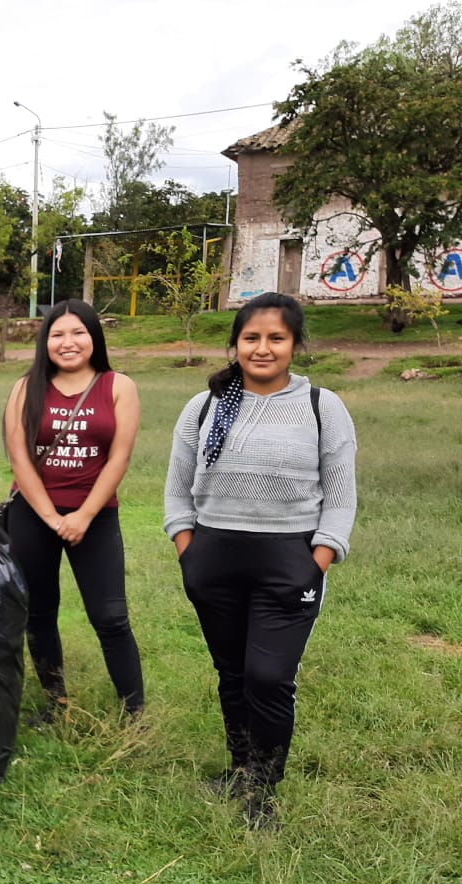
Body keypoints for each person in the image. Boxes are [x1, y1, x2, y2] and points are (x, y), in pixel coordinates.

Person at [163, 292, 357, 830]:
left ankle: (265, 788)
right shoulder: (204, 407)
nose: (263, 348)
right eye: (252, 337)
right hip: (212, 561)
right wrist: (188, 548)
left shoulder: (323, 406)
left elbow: (340, 499)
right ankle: (241, 768)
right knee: (232, 673)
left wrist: (315, 561)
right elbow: (178, 490)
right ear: (235, 343)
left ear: (295, 344)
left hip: (289, 562)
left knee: (269, 676)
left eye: (277, 338)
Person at [2, 299, 144, 726]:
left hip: (95, 515)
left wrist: (82, 516)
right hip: (33, 514)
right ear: (46, 342)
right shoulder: (27, 387)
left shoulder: (118, 386)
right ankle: (55, 703)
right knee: (40, 612)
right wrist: (50, 517)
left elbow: (118, 459)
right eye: (57, 334)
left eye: (78, 332)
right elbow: (19, 458)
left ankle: (134, 713)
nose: (68, 342)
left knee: (111, 616)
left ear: (93, 337)